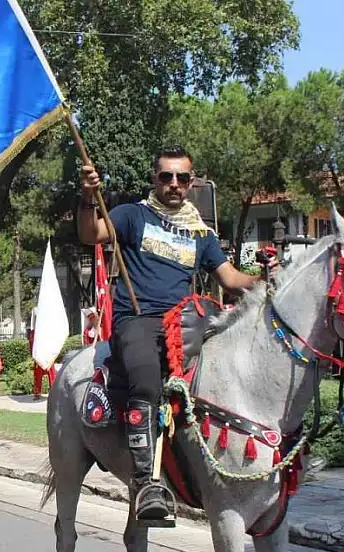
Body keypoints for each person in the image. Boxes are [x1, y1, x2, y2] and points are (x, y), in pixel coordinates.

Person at [78, 145, 273, 525]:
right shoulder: (133, 215)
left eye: (182, 178)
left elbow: (230, 279)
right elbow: (91, 233)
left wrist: (267, 279)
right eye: (166, 176)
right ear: (155, 178)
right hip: (136, 319)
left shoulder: (201, 232)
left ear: (191, 182)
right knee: (147, 384)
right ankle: (145, 483)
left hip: (183, 325)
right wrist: (87, 196)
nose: (174, 184)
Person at [29, 307, 55, 401]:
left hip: (48, 355)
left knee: (51, 374)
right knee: (37, 375)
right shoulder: (33, 332)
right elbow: (31, 344)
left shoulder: (48, 330)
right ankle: (37, 393)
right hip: (38, 356)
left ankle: (54, 391)